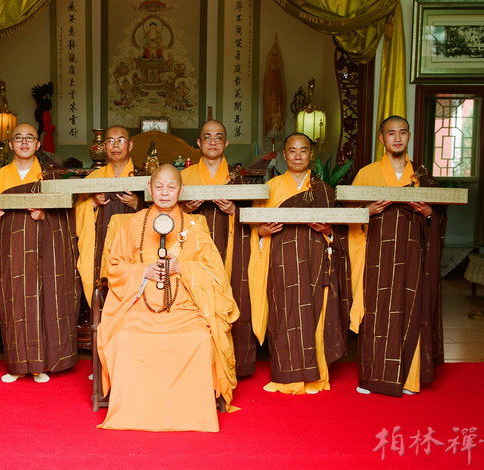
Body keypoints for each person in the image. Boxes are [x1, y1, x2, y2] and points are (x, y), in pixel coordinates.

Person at [97, 164, 239, 432]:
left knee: (200, 338)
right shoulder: (133, 224)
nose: (164, 193)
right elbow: (113, 266)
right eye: (159, 187)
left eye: (171, 187)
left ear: (181, 190)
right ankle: (134, 412)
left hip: (184, 308)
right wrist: (142, 271)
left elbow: (214, 272)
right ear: (149, 189)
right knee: (125, 338)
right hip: (139, 308)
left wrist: (182, 267)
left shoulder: (195, 226)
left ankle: (191, 414)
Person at [348, 115, 446, 397]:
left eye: (403, 132)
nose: (397, 138)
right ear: (382, 139)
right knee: (375, 312)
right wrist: (367, 211)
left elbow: (439, 215)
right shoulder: (367, 174)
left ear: (409, 136)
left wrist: (429, 212)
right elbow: (346, 213)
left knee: (411, 308)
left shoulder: (422, 177)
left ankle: (409, 378)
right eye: (391, 133)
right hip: (376, 253)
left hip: (413, 254)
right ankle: (372, 377)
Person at [247, 133, 351, 394]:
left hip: (315, 263)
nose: (297, 156)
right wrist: (262, 232)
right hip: (280, 262)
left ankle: (316, 378)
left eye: (303, 151)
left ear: (311, 155)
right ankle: (284, 377)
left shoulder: (324, 190)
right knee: (283, 316)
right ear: (284, 155)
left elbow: (340, 233)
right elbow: (254, 228)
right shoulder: (269, 188)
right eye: (292, 151)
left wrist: (329, 230)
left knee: (314, 314)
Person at [0, 123, 80, 384]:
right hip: (9, 251)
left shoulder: (50, 178)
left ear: (38, 145)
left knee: (41, 302)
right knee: (13, 303)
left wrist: (45, 215)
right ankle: (16, 364)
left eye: (30, 138)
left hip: (42, 249)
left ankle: (40, 365)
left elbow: (68, 216)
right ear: (11, 144)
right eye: (18, 138)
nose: (24, 142)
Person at [182, 120, 255, 377]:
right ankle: (195, 365)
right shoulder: (184, 177)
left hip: (231, 244)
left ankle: (236, 362)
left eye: (218, 137)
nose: (213, 142)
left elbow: (256, 215)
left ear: (226, 143)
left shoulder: (238, 178)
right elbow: (166, 213)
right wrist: (186, 208)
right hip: (195, 252)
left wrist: (234, 209)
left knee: (233, 294)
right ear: (199, 143)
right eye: (207, 137)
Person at [76, 125, 144, 306]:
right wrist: (92, 203)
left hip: (132, 242)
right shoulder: (94, 178)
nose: (115, 145)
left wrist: (137, 203)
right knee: (101, 279)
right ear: (104, 146)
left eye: (121, 140)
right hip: (100, 240)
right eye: (110, 141)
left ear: (130, 145)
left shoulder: (142, 176)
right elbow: (76, 213)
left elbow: (159, 212)